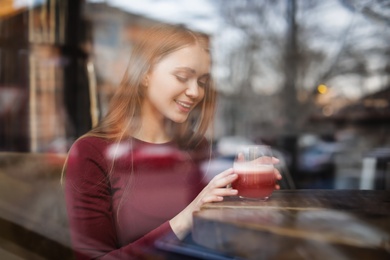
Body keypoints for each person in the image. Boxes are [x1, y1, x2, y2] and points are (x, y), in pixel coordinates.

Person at [63, 24, 282, 259]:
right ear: (145, 73)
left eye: (202, 82)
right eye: (183, 77)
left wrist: (236, 195)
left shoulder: (198, 148)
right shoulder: (93, 153)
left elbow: (211, 243)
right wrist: (185, 219)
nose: (195, 92)